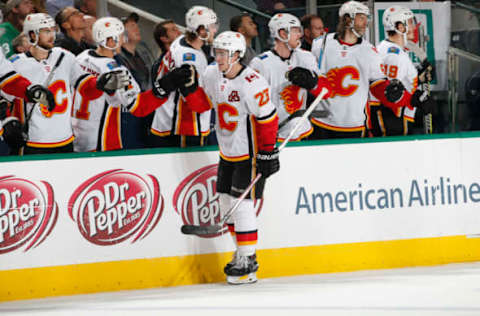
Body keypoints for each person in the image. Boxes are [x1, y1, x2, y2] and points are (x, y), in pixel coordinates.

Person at [198, 31, 279, 284]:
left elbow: (268, 118)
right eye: (217, 52)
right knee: (226, 203)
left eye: (223, 53)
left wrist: (267, 151)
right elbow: (202, 104)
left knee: (241, 205)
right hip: (227, 152)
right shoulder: (212, 74)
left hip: (250, 155)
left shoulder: (253, 83)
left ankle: (249, 258)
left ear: (236, 55)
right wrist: (189, 89)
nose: (217, 57)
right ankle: (241, 253)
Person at [9, 13, 131, 154]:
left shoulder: (64, 56)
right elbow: (4, 99)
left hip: (65, 141)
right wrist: (8, 123)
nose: (52, 35)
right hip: (31, 141)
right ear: (32, 35)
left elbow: (86, 87)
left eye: (53, 29)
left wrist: (100, 85)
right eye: (46, 31)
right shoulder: (16, 64)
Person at [72, 17, 190, 152]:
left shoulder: (81, 57)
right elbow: (140, 107)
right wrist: (164, 86)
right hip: (101, 143)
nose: (123, 40)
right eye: (121, 36)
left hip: (77, 137)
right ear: (111, 41)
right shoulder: (117, 71)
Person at [309, 1, 410, 139]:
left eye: (366, 19)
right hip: (321, 122)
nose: (366, 23)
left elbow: (377, 85)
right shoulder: (320, 44)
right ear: (347, 19)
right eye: (361, 17)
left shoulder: (370, 51)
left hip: (354, 124)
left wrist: (389, 91)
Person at [250, 13, 331, 143]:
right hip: (273, 131)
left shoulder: (306, 57)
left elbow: (327, 91)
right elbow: (254, 105)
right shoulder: (260, 63)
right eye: (295, 31)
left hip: (299, 128)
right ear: (282, 33)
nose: (300, 34)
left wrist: (313, 82)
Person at [150, 5, 217, 148]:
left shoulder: (180, 41)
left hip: (165, 120)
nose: (215, 30)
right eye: (212, 26)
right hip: (185, 126)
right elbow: (194, 98)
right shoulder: (192, 59)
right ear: (201, 30)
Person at [367, 6, 436, 137]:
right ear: (399, 27)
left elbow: (397, 83)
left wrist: (419, 78)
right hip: (391, 120)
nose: (414, 27)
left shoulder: (390, 49)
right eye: (410, 22)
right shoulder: (394, 54)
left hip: (392, 118)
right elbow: (391, 95)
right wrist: (418, 98)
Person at [115, 12, 155, 149]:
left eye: (136, 25)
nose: (136, 28)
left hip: (144, 110)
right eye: (131, 26)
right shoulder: (116, 59)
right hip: (127, 115)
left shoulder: (143, 55)